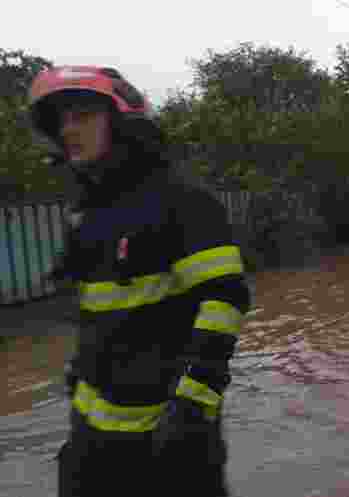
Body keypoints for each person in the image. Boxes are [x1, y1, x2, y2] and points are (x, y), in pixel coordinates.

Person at [28, 65, 251, 496]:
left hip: (171, 442)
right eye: (61, 120)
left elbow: (225, 300)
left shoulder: (182, 202)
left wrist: (192, 406)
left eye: (82, 116)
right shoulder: (88, 216)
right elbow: (99, 317)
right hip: (92, 443)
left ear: (122, 122)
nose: (68, 129)